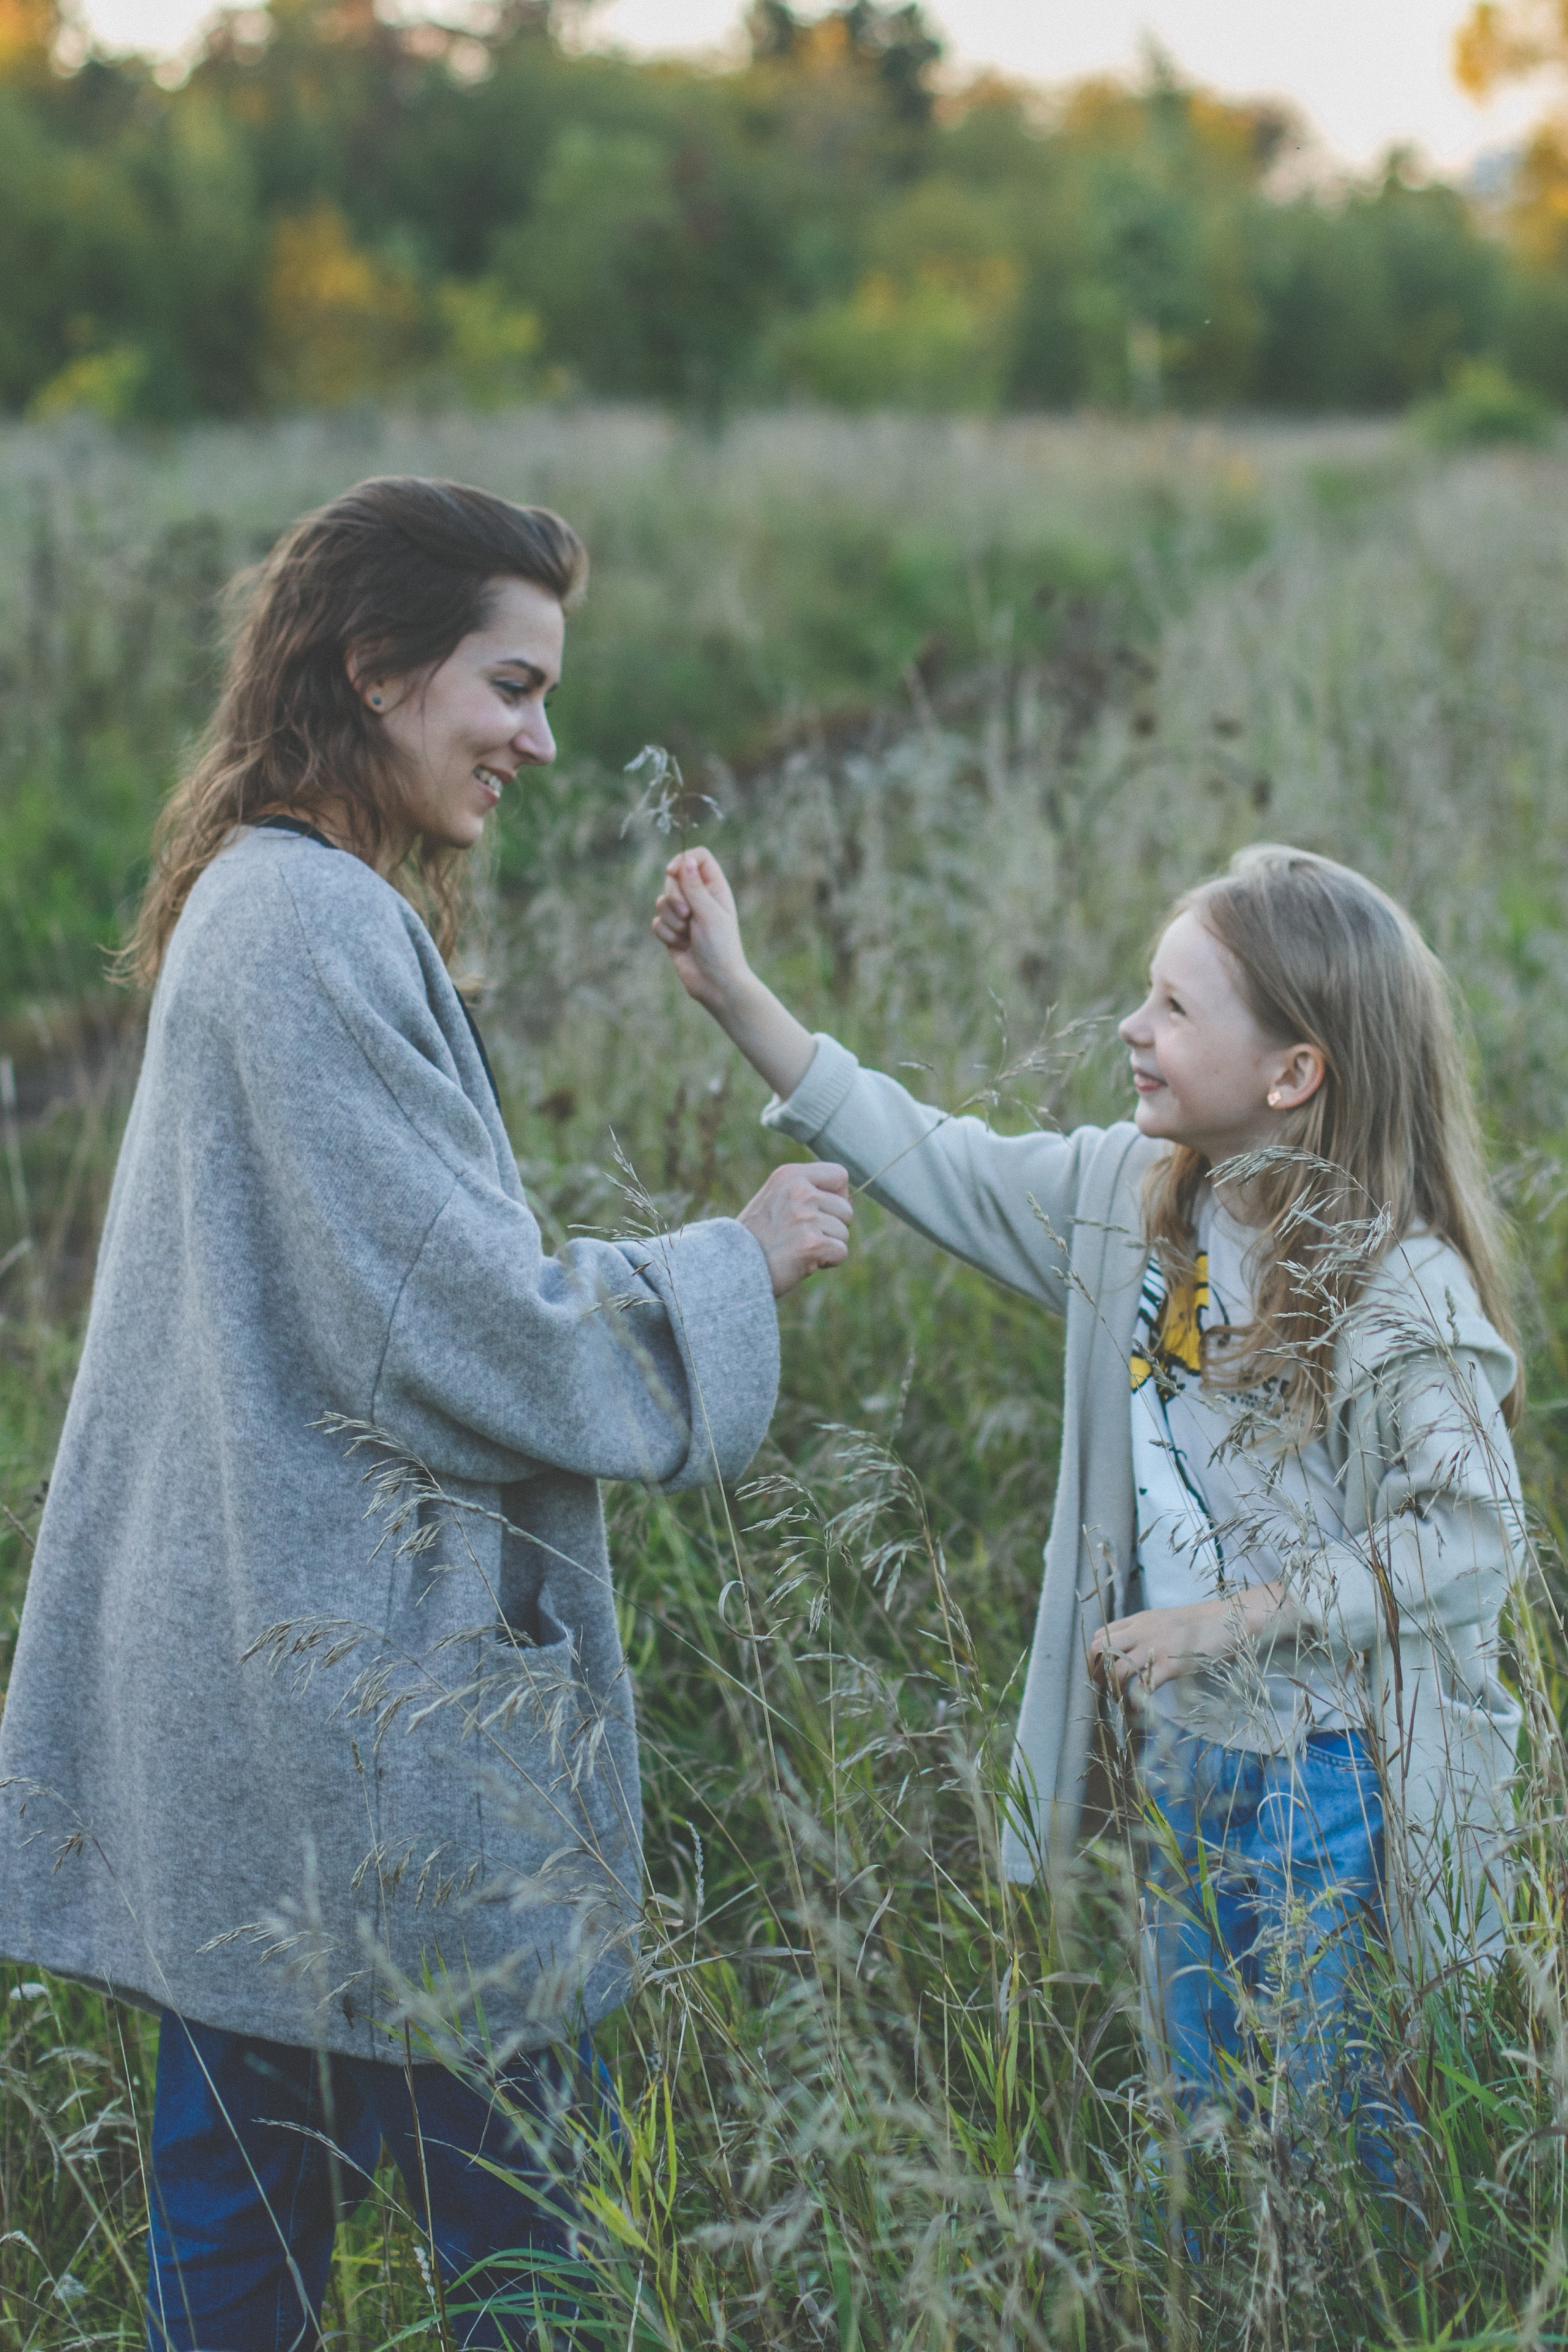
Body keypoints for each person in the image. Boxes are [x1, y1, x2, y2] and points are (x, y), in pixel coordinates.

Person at [0, 477, 853, 2350]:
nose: (539, 740)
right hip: (363, 1746)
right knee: (525, 2255)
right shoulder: (304, 927)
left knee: (242, 2241)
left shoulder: (272, 902)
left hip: (260, 1715)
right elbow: (447, 1331)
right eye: (511, 684)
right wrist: (732, 1261)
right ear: (378, 670)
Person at [651, 838, 1525, 2171]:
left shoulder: (1397, 1287)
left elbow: (1467, 1536)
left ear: (1292, 1075)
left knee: (1339, 2138)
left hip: (1334, 1779)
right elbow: (932, 1156)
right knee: (1202, 2124)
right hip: (1181, 1754)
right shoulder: (1129, 1203)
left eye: (1174, 1008)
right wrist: (737, 996)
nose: (1131, 1025)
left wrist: (1230, 1620)